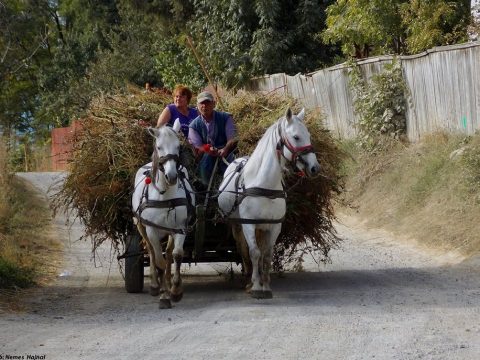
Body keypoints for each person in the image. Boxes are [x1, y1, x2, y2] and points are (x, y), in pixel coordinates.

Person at [188, 91, 237, 186]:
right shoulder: (193, 126)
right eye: (202, 103)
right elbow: (198, 146)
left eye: (207, 103)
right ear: (197, 106)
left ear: (213, 104)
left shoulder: (226, 117)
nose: (204, 106)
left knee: (233, 166)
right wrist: (208, 149)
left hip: (226, 151)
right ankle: (205, 187)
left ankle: (231, 184)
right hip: (207, 154)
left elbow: (232, 138)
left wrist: (225, 149)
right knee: (206, 162)